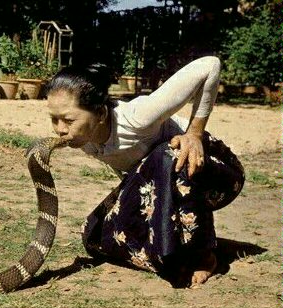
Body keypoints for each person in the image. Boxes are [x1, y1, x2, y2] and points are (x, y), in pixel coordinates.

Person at [44, 56, 245, 288]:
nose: (59, 129)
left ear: (100, 114)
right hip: (166, 182)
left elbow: (210, 65)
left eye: (68, 120)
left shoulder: (139, 116)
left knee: (166, 154)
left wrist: (195, 134)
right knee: (95, 236)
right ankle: (176, 245)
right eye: (54, 119)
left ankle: (202, 253)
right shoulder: (84, 138)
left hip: (216, 174)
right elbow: (137, 174)